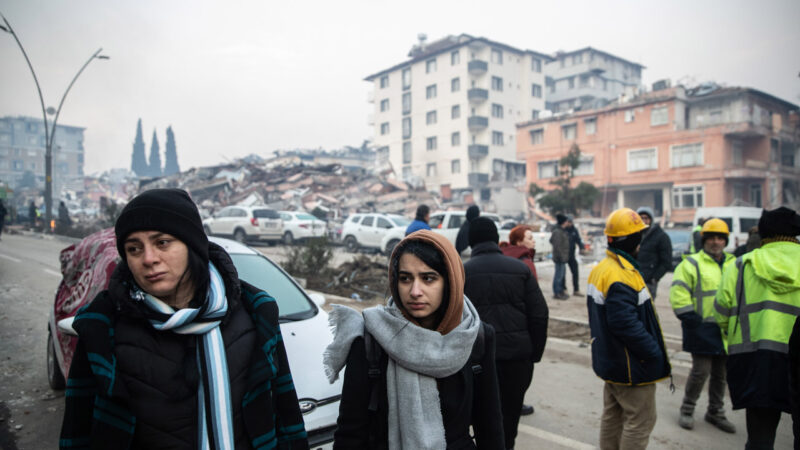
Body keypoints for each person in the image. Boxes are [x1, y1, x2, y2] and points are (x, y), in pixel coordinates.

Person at [60, 188, 308, 449]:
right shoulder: (102, 325)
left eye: (162, 243)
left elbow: (285, 413)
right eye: (134, 249)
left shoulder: (257, 312)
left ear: (192, 245)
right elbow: (78, 429)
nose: (149, 259)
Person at [324, 230, 505, 449]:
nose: (415, 291)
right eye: (405, 278)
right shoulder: (370, 340)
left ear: (450, 282)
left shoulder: (475, 338)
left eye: (428, 278)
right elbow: (350, 434)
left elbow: (489, 428)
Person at [713, 206, 800, 449]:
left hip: (755, 361)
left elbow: (720, 312)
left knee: (760, 439)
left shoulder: (741, 266)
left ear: (763, 234)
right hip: (796, 358)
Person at [587, 208, 671, 450]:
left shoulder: (604, 267)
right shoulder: (620, 274)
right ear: (634, 240)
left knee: (613, 417)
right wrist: (652, 352)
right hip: (631, 365)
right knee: (640, 421)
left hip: (612, 360)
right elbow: (624, 322)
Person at [463, 217, 549, 448]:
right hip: (517, 360)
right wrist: (533, 353)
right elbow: (539, 314)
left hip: (476, 361)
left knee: (481, 418)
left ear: (471, 242)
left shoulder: (462, 273)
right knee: (509, 420)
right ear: (495, 239)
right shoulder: (521, 269)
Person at [669, 218, 736, 433]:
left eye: (720, 238)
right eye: (711, 238)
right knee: (700, 372)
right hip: (701, 328)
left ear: (725, 241)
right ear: (704, 240)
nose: (715, 242)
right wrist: (690, 318)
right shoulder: (691, 263)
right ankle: (687, 409)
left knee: (721, 374)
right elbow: (679, 293)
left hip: (726, 329)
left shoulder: (734, 263)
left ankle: (715, 411)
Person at [636, 206, 672, 300]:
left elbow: (666, 261)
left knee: (647, 310)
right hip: (633, 280)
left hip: (649, 282)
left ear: (651, 219)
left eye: (646, 218)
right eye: (641, 218)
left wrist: (655, 278)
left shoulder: (661, 236)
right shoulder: (633, 235)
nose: (643, 221)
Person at [550, 214, 570, 300]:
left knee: (561, 276)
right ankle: (557, 293)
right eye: (566, 221)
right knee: (558, 276)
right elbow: (557, 246)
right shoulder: (558, 232)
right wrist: (561, 256)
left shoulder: (561, 231)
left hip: (563, 257)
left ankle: (561, 291)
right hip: (560, 258)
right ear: (563, 222)